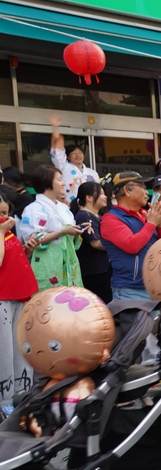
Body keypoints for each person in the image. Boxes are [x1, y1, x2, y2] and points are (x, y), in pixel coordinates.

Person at [100, 171, 161, 301]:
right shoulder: (111, 219)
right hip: (131, 291)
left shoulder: (144, 214)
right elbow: (132, 246)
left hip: (156, 288)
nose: (146, 192)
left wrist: (159, 226)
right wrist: (152, 223)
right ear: (127, 190)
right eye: (142, 186)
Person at [18, 165, 85, 291]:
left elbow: (70, 237)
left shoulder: (64, 208)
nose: (64, 183)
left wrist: (77, 231)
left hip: (69, 265)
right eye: (59, 179)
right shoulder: (34, 209)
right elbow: (35, 239)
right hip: (47, 264)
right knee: (48, 304)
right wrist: (62, 231)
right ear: (46, 181)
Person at [0, 194, 38, 413]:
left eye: (5, 213)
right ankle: (5, 401)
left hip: (19, 295)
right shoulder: (3, 231)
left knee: (20, 346)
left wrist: (27, 249)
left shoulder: (6, 232)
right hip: (2, 298)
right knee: (4, 351)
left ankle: (23, 394)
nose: (3, 217)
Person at [71, 182, 112, 303]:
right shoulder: (84, 215)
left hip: (102, 268)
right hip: (94, 271)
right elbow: (95, 243)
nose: (105, 197)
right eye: (102, 194)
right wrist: (118, 244)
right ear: (89, 197)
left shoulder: (96, 215)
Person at [48, 115, 99, 202]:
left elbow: (98, 192)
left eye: (80, 153)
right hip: (68, 205)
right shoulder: (63, 167)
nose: (78, 155)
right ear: (67, 156)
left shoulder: (92, 173)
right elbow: (58, 153)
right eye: (74, 153)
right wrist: (56, 128)